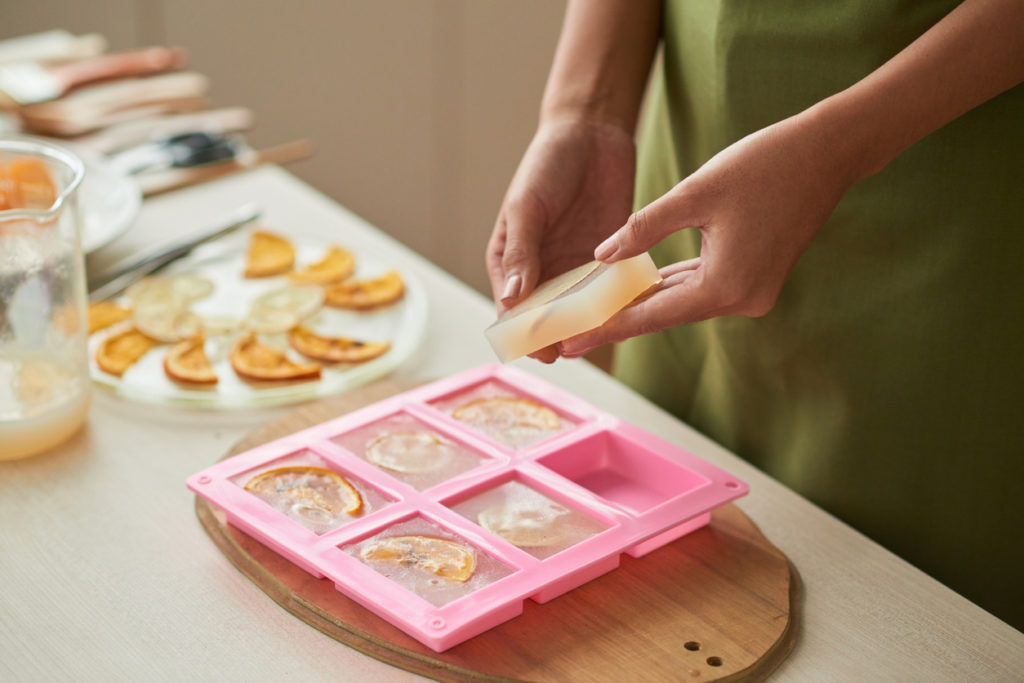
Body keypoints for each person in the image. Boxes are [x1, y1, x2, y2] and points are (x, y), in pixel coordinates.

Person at [486, 0, 1024, 628]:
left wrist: (832, 150)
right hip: (694, 161)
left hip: (948, 193)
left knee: (889, 621)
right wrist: (586, 113)